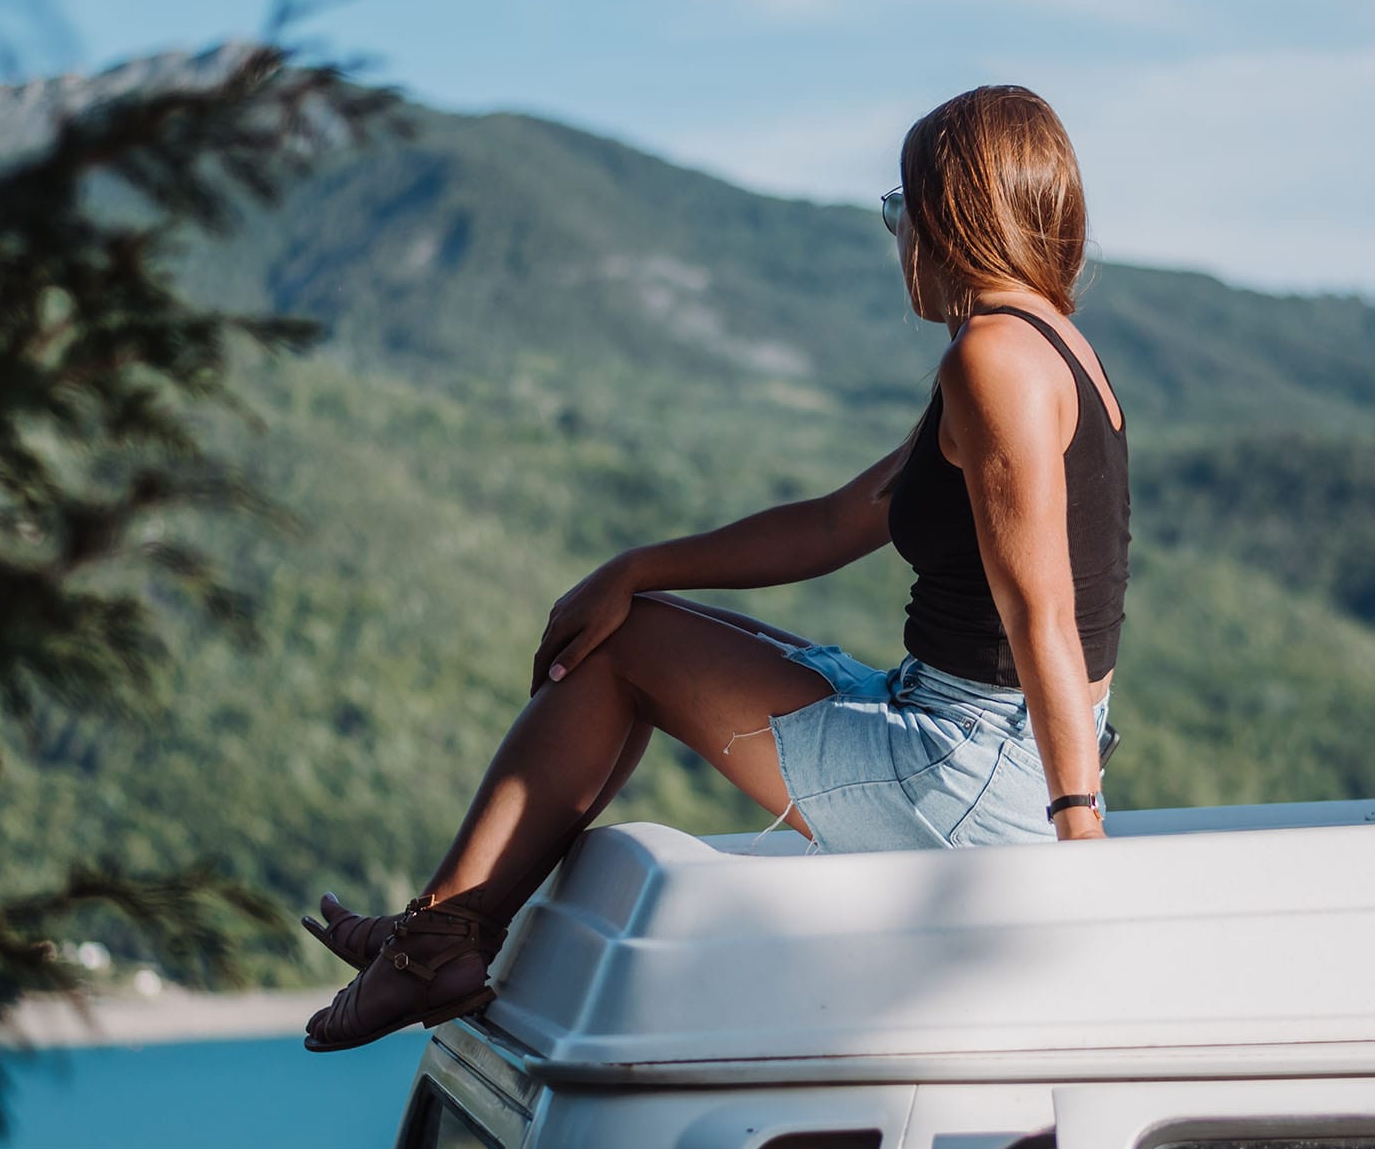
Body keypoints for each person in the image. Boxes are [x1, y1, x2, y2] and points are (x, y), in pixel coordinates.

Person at [300, 86, 1132, 1052]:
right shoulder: (1050, 347)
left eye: (899, 210)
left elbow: (1045, 618)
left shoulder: (992, 358)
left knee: (625, 649)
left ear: (950, 217)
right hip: (973, 742)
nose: (898, 238)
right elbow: (835, 523)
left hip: (970, 770)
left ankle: (434, 942)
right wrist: (635, 564)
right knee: (638, 617)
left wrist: (1080, 843)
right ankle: (437, 935)